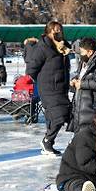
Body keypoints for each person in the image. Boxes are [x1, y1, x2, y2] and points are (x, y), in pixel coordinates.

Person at [25, 21, 71, 155]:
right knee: (59, 115)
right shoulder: (43, 47)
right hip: (48, 87)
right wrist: (43, 80)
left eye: (59, 30)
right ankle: (47, 141)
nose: (58, 32)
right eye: (54, 30)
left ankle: (49, 142)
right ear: (48, 32)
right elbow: (31, 68)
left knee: (64, 114)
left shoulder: (63, 47)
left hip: (61, 86)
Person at [68, 37, 96, 133]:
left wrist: (82, 84)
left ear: (90, 52)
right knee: (81, 136)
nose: (80, 54)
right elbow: (81, 77)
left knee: (91, 135)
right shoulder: (84, 62)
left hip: (93, 107)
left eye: (82, 52)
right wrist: (74, 82)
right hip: (81, 105)